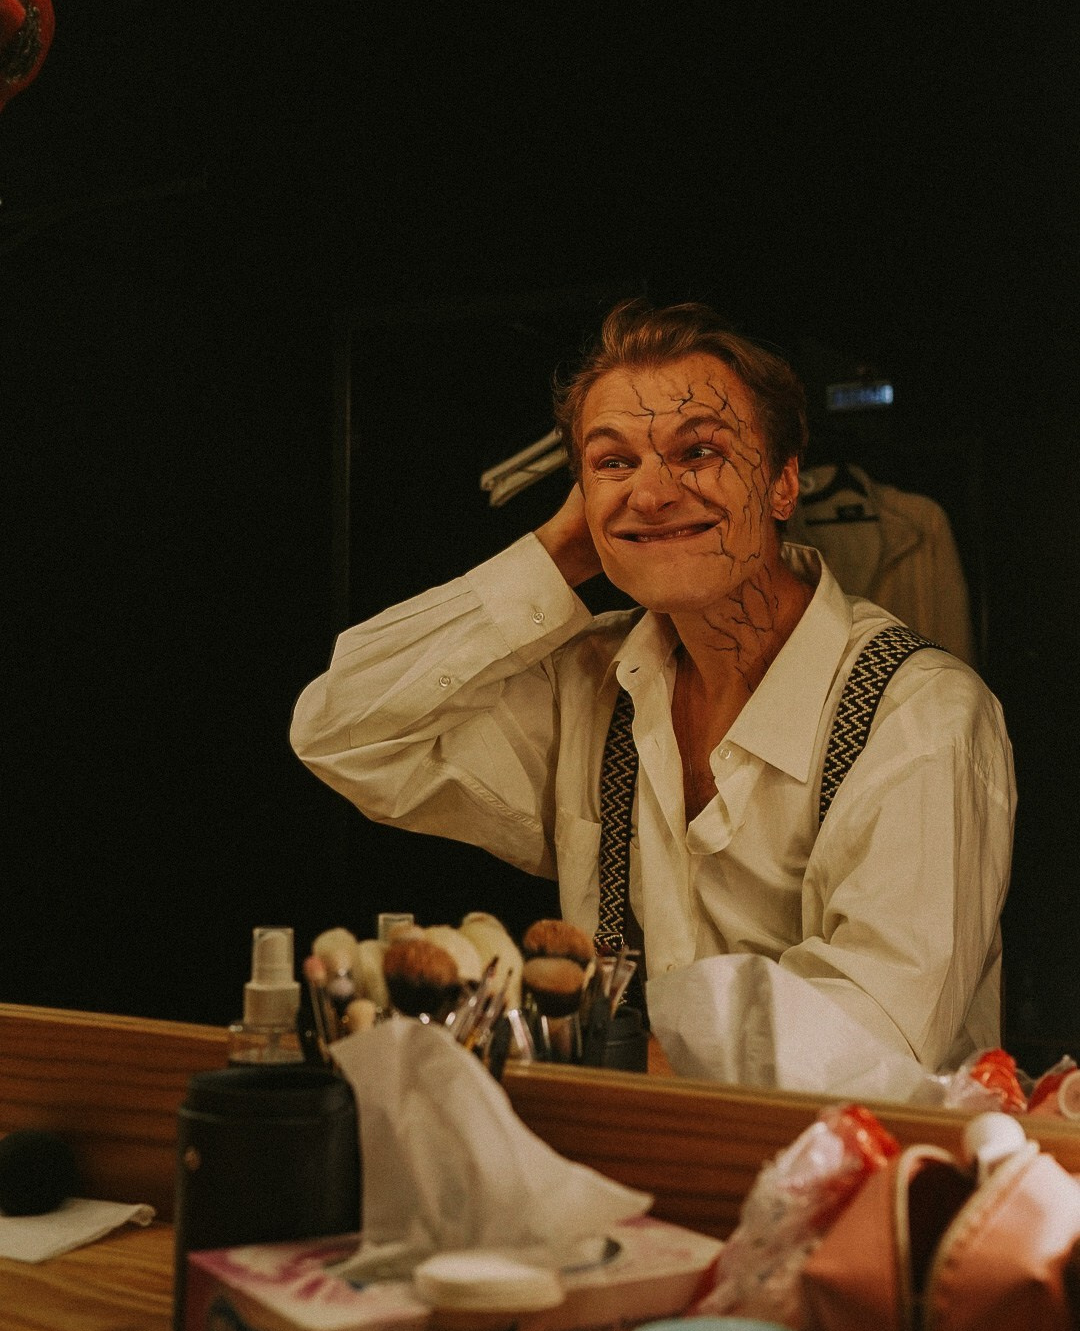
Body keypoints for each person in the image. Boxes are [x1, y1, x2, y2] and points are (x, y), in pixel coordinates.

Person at [291, 299, 1015, 1096]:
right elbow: (341, 728)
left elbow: (869, 1043)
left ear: (783, 482)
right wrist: (559, 553)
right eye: (613, 462)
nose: (652, 492)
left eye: (698, 451)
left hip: (857, 1167)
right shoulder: (592, 684)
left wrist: (596, 1062)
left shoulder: (920, 718)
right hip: (633, 1158)